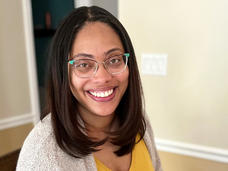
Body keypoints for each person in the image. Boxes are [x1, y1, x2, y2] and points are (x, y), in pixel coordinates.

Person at [17, 6, 162, 171]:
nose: (102, 77)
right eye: (84, 64)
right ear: (63, 73)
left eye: (114, 60)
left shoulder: (138, 121)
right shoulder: (42, 152)